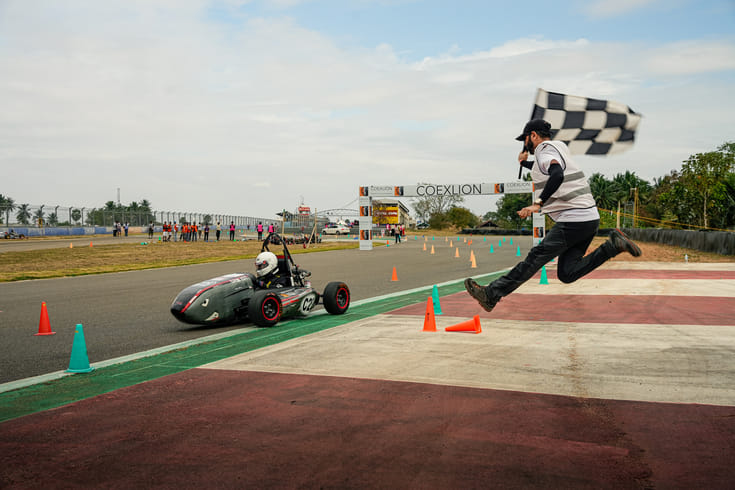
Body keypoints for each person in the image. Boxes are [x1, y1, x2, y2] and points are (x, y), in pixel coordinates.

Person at [464, 118, 642, 312]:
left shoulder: (543, 151)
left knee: (534, 259)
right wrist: (524, 163)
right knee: (567, 273)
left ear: (533, 135)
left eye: (525, 139)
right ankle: (612, 246)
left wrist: (537, 204)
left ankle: (491, 294)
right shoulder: (558, 148)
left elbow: (556, 173)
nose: (525, 144)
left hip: (573, 219)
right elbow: (545, 169)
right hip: (589, 219)